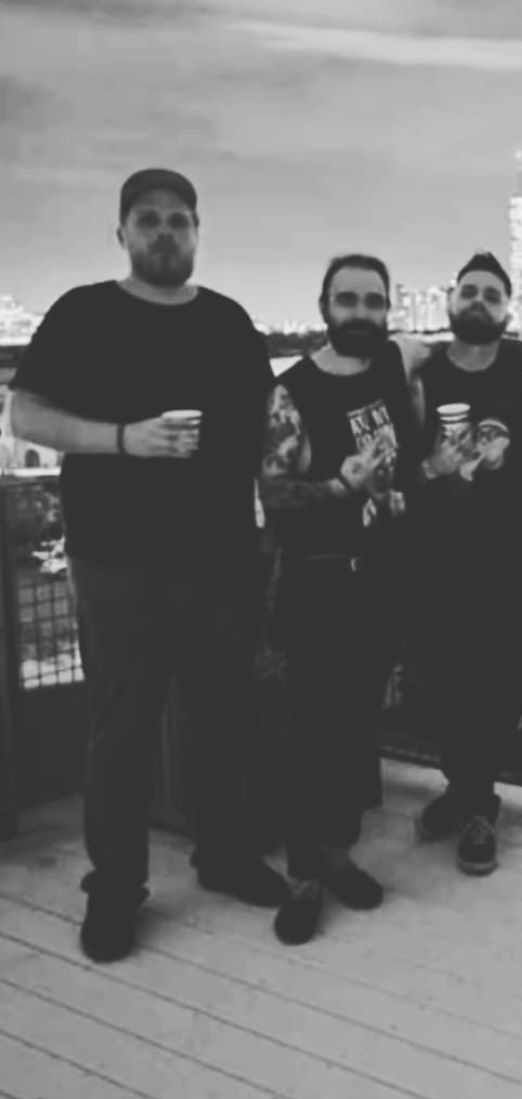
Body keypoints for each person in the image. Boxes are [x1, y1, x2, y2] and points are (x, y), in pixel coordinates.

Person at [10, 168, 289, 963]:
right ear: (122, 233)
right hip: (118, 562)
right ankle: (116, 886)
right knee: (121, 727)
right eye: (148, 219)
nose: (165, 232)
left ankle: (223, 852)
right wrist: (125, 438)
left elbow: (268, 431)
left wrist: (273, 528)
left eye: (178, 220)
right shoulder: (83, 312)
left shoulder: (229, 321)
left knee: (221, 715)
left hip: (223, 557)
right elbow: (25, 413)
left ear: (197, 231)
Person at [259, 253, 420, 945]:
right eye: (347, 300)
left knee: (355, 724)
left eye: (373, 301)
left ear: (388, 309)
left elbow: (445, 349)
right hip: (318, 581)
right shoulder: (292, 390)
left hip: (380, 581)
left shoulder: (392, 364)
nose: (361, 312)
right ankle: (303, 875)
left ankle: (336, 853)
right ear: (324, 306)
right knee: (310, 730)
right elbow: (273, 492)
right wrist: (339, 487)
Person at [409, 252, 522, 875]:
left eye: (492, 293)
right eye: (470, 291)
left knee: (499, 682)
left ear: (507, 309)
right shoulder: (422, 373)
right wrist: (432, 466)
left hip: (504, 557)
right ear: (450, 301)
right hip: (433, 556)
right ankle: (462, 787)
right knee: (440, 681)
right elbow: (400, 466)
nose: (479, 301)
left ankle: (479, 800)